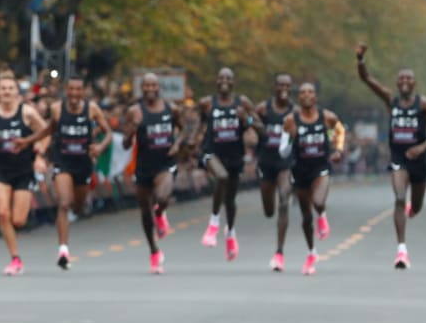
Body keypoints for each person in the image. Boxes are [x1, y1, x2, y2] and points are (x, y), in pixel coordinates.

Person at [355, 44, 426, 269]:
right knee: (399, 198)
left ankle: (413, 209)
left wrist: (425, 145)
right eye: (401, 79)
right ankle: (401, 251)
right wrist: (360, 60)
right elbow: (367, 79)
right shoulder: (391, 100)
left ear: (414, 83)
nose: (405, 81)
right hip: (399, 158)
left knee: (415, 206)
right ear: (397, 83)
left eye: (409, 78)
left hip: (420, 161)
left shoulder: (424, 103)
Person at [16, 75, 111, 270]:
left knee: (78, 206)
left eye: (78, 90)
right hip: (62, 161)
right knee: (64, 203)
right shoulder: (57, 109)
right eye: (71, 89)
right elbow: (49, 130)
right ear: (66, 90)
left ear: (84, 91)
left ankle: (77, 210)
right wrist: (27, 141)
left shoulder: (92, 109)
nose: (74, 93)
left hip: (83, 163)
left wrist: (100, 147)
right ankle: (63, 250)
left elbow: (108, 132)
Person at [0, 72, 48, 276]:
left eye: (10, 88)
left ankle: (16, 247)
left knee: (18, 221)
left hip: (24, 170)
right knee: (2, 213)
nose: (7, 92)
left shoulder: (27, 113)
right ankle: (15, 258)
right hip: (1, 170)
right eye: (3, 88)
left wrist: (40, 155)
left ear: (17, 92)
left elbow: (46, 132)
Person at [278, 82, 344, 275]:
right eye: (303, 92)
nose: (306, 95)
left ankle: (322, 215)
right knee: (306, 217)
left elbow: (340, 131)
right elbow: (283, 152)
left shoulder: (327, 117)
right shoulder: (290, 121)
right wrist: (291, 138)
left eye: (310, 92)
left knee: (318, 201)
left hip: (321, 167)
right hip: (300, 170)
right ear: (298, 97)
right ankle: (311, 253)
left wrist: (338, 150)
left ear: (316, 97)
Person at [121, 73, 184, 274]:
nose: (150, 89)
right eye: (146, 86)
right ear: (142, 88)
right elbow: (125, 144)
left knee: (163, 197)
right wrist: (133, 127)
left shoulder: (171, 109)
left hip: (165, 163)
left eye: (153, 85)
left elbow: (183, 130)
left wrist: (177, 144)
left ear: (158, 87)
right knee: (145, 212)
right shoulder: (134, 111)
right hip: (143, 166)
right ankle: (154, 252)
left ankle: (160, 212)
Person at [193, 67, 254, 260]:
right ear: (216, 81)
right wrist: (192, 141)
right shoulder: (207, 103)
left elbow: (254, 123)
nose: (224, 81)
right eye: (221, 78)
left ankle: (230, 234)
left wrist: (246, 118)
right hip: (212, 152)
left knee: (230, 200)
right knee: (221, 176)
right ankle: (213, 223)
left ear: (233, 82)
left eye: (228, 78)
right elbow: (198, 124)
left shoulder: (242, 103)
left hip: (234, 155)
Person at [253, 73, 295, 271]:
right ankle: (272, 206)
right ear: (275, 87)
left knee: (284, 200)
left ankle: (279, 252)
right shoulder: (263, 108)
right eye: (280, 85)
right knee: (269, 211)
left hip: (285, 163)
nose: (284, 89)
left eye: (287, 85)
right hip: (266, 162)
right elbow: (250, 125)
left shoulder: (295, 111)